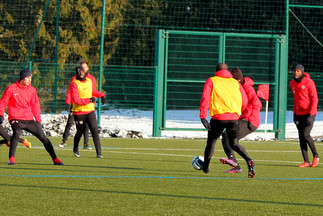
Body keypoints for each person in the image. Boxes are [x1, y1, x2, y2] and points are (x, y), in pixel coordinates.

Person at [199, 63, 256, 178]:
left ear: (216, 71)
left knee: (211, 142)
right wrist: (237, 112)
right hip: (234, 118)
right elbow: (244, 101)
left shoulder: (212, 80)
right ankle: (249, 159)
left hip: (218, 118)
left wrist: (203, 117)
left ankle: (205, 167)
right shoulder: (235, 83)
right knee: (234, 144)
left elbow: (206, 98)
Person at [0, 69, 64, 165]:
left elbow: (35, 105)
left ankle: (55, 159)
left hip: (29, 119)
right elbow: (3, 102)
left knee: (43, 137)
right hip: (16, 118)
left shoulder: (32, 90)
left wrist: (38, 119)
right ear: (22, 78)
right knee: (17, 132)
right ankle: (11, 158)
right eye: (28, 78)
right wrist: (1, 114)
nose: (30, 80)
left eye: (31, 78)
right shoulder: (11, 88)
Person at [220, 68, 262, 173]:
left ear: (238, 80)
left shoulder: (247, 88)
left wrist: (248, 117)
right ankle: (244, 163)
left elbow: (258, 104)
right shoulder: (239, 87)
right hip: (244, 119)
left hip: (250, 121)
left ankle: (236, 164)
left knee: (227, 136)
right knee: (231, 141)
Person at [70, 65, 106, 158]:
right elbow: (76, 99)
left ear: (85, 72)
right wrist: (88, 100)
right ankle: (75, 148)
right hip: (79, 112)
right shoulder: (75, 84)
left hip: (90, 111)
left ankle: (99, 153)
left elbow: (93, 91)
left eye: (82, 71)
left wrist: (101, 95)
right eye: (78, 72)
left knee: (94, 130)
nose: (80, 73)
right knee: (80, 132)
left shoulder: (89, 81)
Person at [290, 64, 319, 168]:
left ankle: (316, 156)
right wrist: (294, 114)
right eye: (294, 70)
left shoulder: (309, 82)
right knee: (301, 137)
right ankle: (306, 161)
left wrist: (311, 113)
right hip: (298, 114)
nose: (295, 72)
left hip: (309, 113)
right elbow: (296, 100)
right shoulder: (292, 83)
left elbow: (315, 98)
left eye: (297, 71)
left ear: (302, 72)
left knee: (306, 134)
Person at [59, 61, 92, 150]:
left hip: (86, 107)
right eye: (82, 68)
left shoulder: (91, 79)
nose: (83, 70)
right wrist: (68, 102)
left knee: (86, 125)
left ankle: (86, 144)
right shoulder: (75, 79)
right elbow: (70, 91)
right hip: (76, 106)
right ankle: (64, 141)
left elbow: (93, 92)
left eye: (85, 67)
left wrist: (92, 102)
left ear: (87, 69)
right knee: (70, 122)